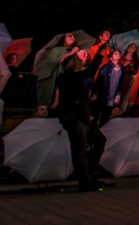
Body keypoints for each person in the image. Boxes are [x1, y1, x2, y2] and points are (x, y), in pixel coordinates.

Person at [51, 52, 104, 192]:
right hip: (73, 116)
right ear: (71, 64)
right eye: (78, 60)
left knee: (99, 140)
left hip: (84, 116)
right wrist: (99, 53)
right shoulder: (67, 76)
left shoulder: (74, 77)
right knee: (79, 148)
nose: (81, 62)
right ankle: (85, 179)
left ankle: (89, 174)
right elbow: (91, 71)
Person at [36, 33, 78, 106]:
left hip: (63, 80)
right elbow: (54, 60)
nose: (72, 37)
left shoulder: (73, 52)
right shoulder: (57, 49)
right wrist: (71, 53)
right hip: (51, 79)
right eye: (69, 36)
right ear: (63, 41)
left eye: (73, 37)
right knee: (46, 102)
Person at [91, 49, 131, 126]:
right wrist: (94, 94)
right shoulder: (105, 68)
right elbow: (98, 81)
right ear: (111, 58)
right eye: (115, 53)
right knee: (95, 115)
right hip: (102, 96)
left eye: (119, 53)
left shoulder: (122, 69)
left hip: (113, 97)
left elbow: (121, 83)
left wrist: (118, 95)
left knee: (106, 116)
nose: (118, 54)